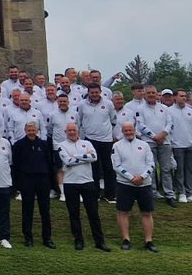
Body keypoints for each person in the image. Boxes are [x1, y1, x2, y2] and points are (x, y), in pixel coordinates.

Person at [59, 122, 110, 251]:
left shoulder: (87, 144)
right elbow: (67, 161)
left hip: (88, 182)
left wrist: (76, 156)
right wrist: (84, 157)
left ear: (78, 131)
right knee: (74, 214)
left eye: (73, 130)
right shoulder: (61, 146)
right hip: (70, 183)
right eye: (69, 130)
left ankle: (99, 241)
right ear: (65, 132)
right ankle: (78, 240)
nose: (71, 132)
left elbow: (94, 157)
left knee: (93, 213)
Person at [112, 121, 157, 252]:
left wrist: (142, 177)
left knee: (146, 212)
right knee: (123, 211)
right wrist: (131, 178)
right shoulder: (117, 146)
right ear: (122, 131)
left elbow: (151, 164)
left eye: (130, 130)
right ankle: (126, 239)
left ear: (134, 130)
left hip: (144, 184)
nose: (128, 132)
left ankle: (149, 240)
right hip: (125, 184)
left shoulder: (144, 145)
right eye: (125, 130)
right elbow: (116, 165)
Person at [13, 120, 55, 248]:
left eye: (33, 130)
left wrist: (51, 182)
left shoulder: (44, 144)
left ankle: (47, 238)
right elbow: (16, 164)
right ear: (25, 131)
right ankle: (28, 238)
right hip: (27, 180)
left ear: (37, 131)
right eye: (29, 130)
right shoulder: (19, 145)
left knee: (45, 210)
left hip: (43, 180)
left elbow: (50, 163)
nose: (31, 132)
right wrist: (18, 183)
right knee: (27, 210)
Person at [77, 84, 117, 203]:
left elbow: (113, 120)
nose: (94, 94)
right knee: (93, 168)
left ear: (100, 92)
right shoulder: (82, 104)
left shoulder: (108, 104)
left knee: (108, 168)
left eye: (96, 92)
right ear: (88, 93)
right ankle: (94, 194)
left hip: (106, 140)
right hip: (90, 139)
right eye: (92, 92)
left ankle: (110, 194)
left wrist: (106, 132)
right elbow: (80, 121)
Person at [168, 89, 192, 204]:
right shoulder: (169, 111)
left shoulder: (191, 112)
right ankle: (181, 193)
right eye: (181, 96)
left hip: (191, 145)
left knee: (189, 170)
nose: (183, 98)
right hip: (177, 146)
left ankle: (190, 193)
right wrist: (172, 142)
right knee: (179, 171)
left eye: (185, 96)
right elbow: (168, 129)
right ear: (175, 97)